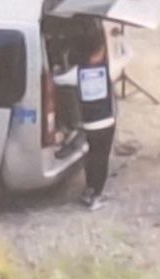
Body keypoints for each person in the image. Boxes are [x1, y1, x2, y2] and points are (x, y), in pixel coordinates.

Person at [54, 22, 117, 211]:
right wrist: (110, 37)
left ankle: (89, 190)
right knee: (102, 159)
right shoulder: (109, 70)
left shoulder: (77, 72)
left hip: (89, 123)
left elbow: (58, 80)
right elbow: (127, 54)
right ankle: (97, 194)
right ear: (100, 50)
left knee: (92, 156)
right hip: (106, 122)